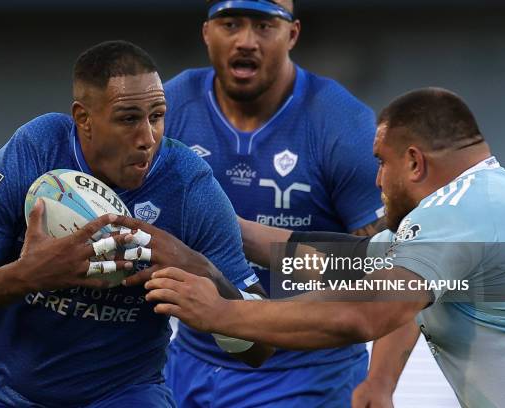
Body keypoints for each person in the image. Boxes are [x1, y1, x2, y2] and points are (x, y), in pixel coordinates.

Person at [0, 40, 271, 408]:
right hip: (1, 396)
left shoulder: (188, 186)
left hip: (123, 395)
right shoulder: (35, 151)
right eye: (129, 119)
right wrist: (28, 275)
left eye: (157, 115)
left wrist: (201, 270)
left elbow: (260, 347)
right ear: (84, 119)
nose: (147, 138)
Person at [146, 87, 505, 408]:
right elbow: (340, 261)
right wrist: (208, 217)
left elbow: (363, 314)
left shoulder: (458, 210)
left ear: (413, 162)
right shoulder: (485, 201)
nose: (377, 179)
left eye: (381, 162)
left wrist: (222, 314)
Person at [163, 0, 418, 406]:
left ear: (292, 34)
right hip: (191, 361)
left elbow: (399, 269)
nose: (246, 41)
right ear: (207, 32)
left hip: (305, 375)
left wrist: (381, 383)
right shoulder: (170, 107)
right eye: (231, 24)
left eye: (264, 26)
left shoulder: (341, 123)